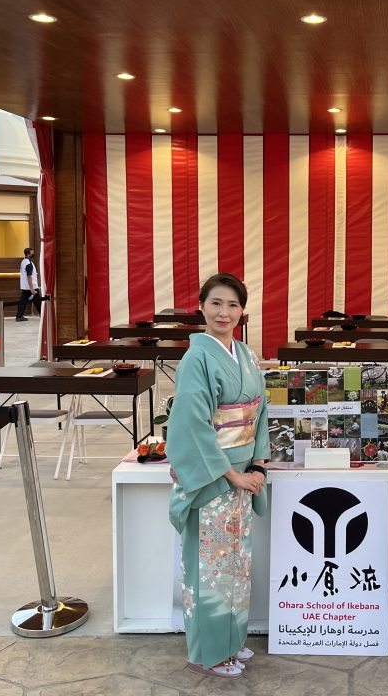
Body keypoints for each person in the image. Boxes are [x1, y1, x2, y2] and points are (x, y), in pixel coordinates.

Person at [165, 272, 269, 679]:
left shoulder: (245, 353)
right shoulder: (196, 358)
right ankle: (205, 653)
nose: (224, 312)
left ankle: (230, 641)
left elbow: (258, 412)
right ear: (202, 307)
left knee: (236, 568)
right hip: (213, 479)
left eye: (232, 305)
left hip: (243, 474)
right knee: (209, 569)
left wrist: (257, 464)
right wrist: (232, 475)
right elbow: (192, 425)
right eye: (216, 303)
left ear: (242, 311)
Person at [15, 247, 41, 321]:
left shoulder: (24, 261)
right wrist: (32, 288)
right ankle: (42, 314)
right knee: (37, 301)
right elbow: (29, 276)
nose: (33, 253)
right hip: (30, 286)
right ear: (28, 254)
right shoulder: (28, 263)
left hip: (26, 286)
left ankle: (19, 316)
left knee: (24, 301)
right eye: (32, 252)